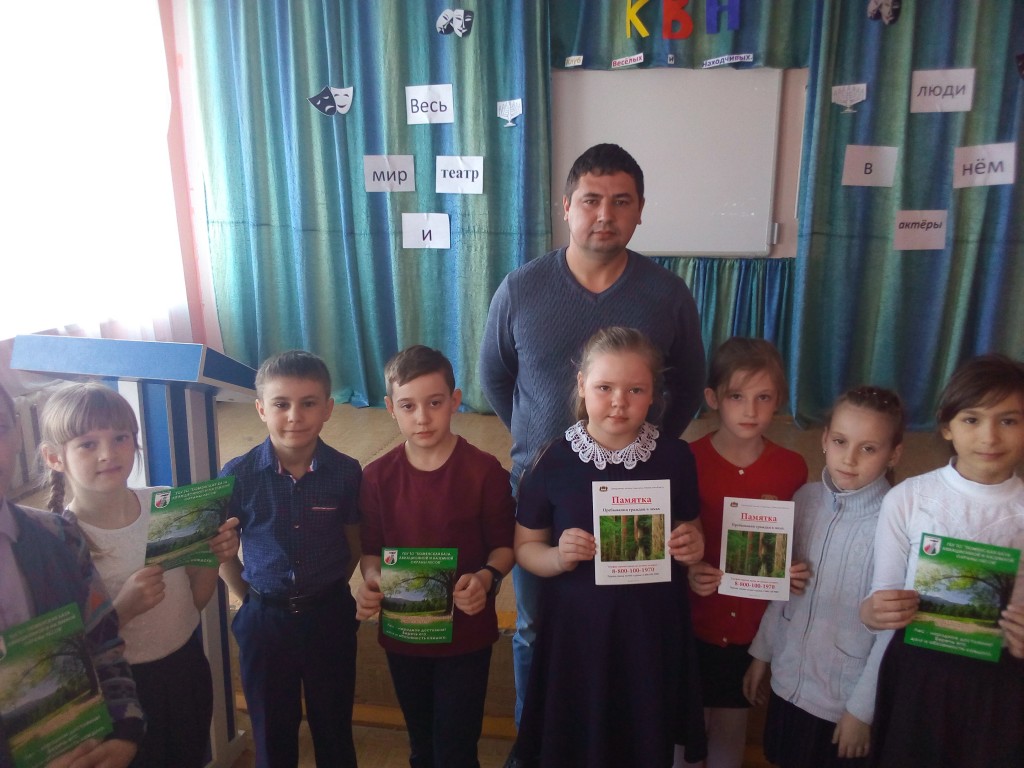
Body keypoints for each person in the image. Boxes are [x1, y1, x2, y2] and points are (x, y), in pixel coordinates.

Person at [479, 143, 706, 722]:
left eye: (621, 201)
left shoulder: (667, 294)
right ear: (566, 207)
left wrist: (651, 446)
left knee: (625, 627)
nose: (605, 214)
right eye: (591, 200)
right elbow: (496, 377)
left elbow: (687, 381)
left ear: (640, 210)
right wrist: (538, 443)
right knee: (535, 626)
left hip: (637, 494)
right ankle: (536, 745)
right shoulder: (521, 288)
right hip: (544, 491)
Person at [507, 326, 707, 767]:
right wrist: (557, 557)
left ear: (654, 394)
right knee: (581, 739)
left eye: (636, 389)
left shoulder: (675, 458)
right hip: (580, 634)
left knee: (644, 735)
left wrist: (692, 548)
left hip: (650, 631)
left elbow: (691, 532)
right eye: (605, 387)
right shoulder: (552, 460)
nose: (619, 401)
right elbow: (525, 547)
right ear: (581, 385)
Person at [37, 382, 240, 768]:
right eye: (87, 444)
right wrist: (123, 609)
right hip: (119, 691)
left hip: (185, 668)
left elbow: (193, 603)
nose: (108, 453)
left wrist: (213, 557)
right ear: (54, 457)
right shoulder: (60, 541)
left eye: (120, 438)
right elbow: (64, 657)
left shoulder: (164, 503)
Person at [355, 345, 515, 768]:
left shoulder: (484, 471)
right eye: (408, 406)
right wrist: (371, 579)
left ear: (455, 401)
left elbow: (505, 546)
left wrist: (486, 578)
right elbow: (371, 552)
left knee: (457, 749)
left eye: (435, 403)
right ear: (391, 408)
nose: (422, 417)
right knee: (422, 746)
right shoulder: (376, 477)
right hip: (403, 634)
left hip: (466, 635)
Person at [860, 354, 1024, 767]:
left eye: (1008, 420)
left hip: (999, 686)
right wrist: (873, 612)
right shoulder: (908, 499)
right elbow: (881, 599)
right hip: (917, 677)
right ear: (947, 426)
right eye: (972, 419)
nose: (989, 437)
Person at [742, 386, 906, 768]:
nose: (849, 458)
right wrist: (761, 655)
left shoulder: (896, 521)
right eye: (840, 441)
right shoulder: (804, 500)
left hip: (842, 704)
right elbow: (782, 587)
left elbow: (891, 632)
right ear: (825, 439)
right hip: (787, 682)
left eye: (868, 448)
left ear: (893, 454)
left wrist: (861, 711)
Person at [219, 350, 362, 768]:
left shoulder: (346, 472)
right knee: (271, 732)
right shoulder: (238, 474)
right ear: (261, 409)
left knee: (334, 728)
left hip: (329, 617)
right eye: (281, 404)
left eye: (308, 403)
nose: (294, 416)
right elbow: (224, 550)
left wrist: (328, 591)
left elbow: (354, 543)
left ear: (328, 408)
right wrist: (249, 598)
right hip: (264, 622)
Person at [678, 338, 809, 768]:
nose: (750, 410)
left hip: (752, 631)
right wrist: (689, 570)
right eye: (737, 396)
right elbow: (670, 539)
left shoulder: (791, 468)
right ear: (713, 398)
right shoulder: (687, 460)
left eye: (763, 397)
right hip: (692, 624)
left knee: (730, 733)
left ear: (779, 400)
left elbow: (791, 545)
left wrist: (791, 572)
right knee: (684, 734)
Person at [0, 383, 144, 768]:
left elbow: (102, 642)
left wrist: (125, 732)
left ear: (16, 433)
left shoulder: (60, 537)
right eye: (88, 443)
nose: (107, 453)